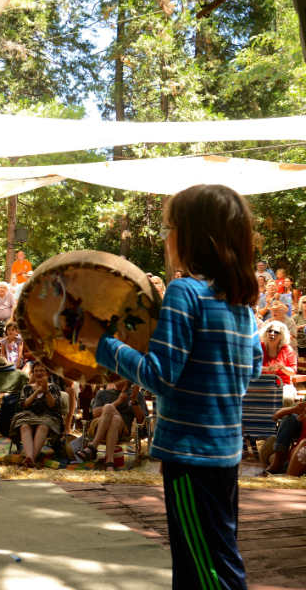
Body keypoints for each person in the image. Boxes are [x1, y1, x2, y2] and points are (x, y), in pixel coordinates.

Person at [78, 184, 262, 590]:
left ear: (192, 234)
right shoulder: (240, 302)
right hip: (225, 452)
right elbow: (251, 370)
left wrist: (102, 344)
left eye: (168, 228)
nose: (167, 237)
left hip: (190, 455)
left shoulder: (184, 292)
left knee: (203, 568)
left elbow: (160, 375)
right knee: (216, 553)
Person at [76, 381, 145, 471]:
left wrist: (134, 400)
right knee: (111, 413)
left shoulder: (136, 395)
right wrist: (118, 401)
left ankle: (93, 447)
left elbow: (141, 420)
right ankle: (109, 462)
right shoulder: (103, 393)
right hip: (99, 425)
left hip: (122, 430)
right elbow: (95, 413)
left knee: (112, 412)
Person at [9, 363, 63, 467]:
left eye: (42, 370)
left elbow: (53, 406)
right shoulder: (27, 388)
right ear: (33, 373)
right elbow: (23, 405)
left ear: (47, 373)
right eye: (36, 371)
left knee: (43, 426)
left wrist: (46, 391)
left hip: (48, 416)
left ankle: (30, 458)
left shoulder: (54, 388)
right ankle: (31, 457)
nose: (39, 373)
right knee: (24, 426)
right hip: (28, 415)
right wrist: (36, 391)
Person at [263, 400, 306, 476]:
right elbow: (276, 416)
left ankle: (279, 464)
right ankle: (277, 462)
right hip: (294, 455)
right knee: (289, 418)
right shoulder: (301, 411)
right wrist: (294, 409)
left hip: (299, 458)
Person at [259, 319, 297, 386]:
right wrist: (267, 369)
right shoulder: (259, 347)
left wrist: (282, 368)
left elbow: (292, 372)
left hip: (283, 385)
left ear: (282, 336)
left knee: (287, 396)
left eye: (276, 332)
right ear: (266, 333)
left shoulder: (287, 349)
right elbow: (251, 367)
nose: (272, 333)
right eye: (270, 331)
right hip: (261, 384)